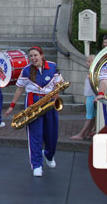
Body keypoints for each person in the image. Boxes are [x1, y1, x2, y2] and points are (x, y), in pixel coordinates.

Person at [5, 46, 64, 177]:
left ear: (41, 55)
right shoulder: (26, 70)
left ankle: (49, 155)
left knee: (52, 134)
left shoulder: (53, 67)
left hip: (49, 103)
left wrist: (56, 95)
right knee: (35, 135)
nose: (33, 58)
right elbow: (19, 89)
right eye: (30, 56)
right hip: (33, 102)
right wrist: (12, 106)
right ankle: (36, 164)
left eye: (35, 55)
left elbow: (59, 84)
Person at [70, 55, 96, 140]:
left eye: (89, 61)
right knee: (92, 117)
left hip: (91, 97)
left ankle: (81, 134)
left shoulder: (93, 73)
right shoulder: (92, 72)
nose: (87, 63)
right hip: (91, 96)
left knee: (89, 117)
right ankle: (88, 132)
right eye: (87, 61)